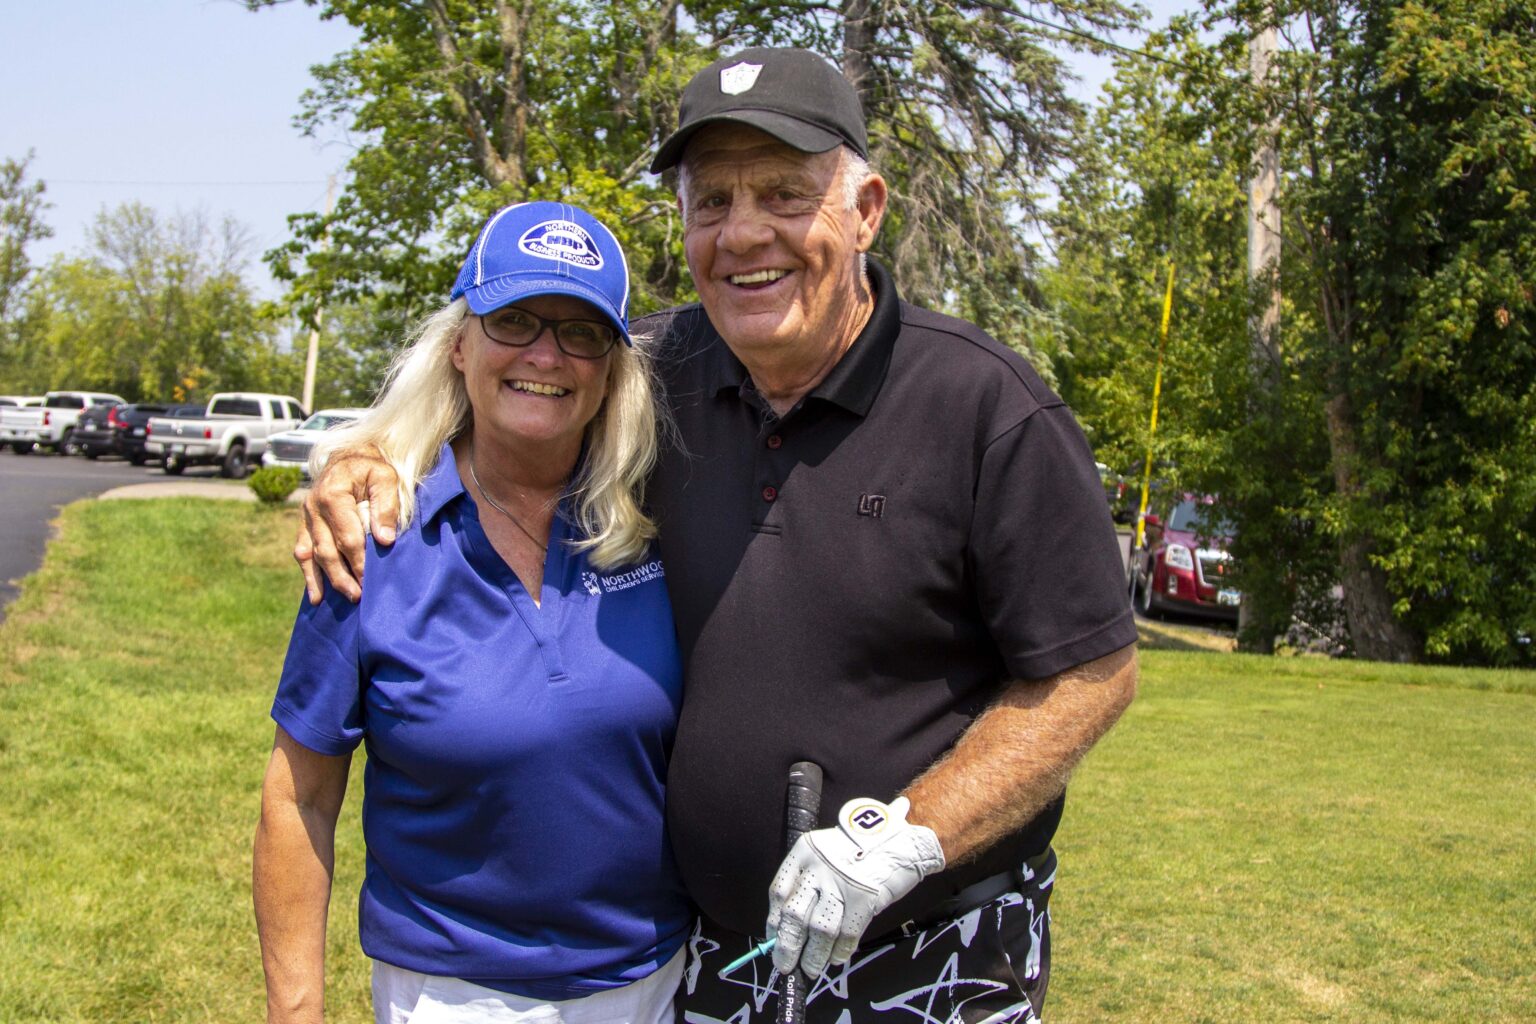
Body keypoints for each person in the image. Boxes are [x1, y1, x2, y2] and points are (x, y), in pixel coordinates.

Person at [298, 48, 1139, 1024]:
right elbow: (515, 381)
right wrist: (368, 455)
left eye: (785, 194)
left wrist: (906, 839)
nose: (744, 234)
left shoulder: (984, 407)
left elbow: (1090, 675)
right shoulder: (648, 373)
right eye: (713, 202)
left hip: (935, 944)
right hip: (712, 956)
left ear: (865, 209)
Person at [253, 201, 690, 1024]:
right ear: (460, 344)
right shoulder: (371, 537)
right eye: (513, 320)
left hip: (657, 985)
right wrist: (297, 1011)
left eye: (581, 332)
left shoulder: (657, 524)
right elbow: (298, 799)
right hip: (453, 996)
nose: (545, 355)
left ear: (612, 370)